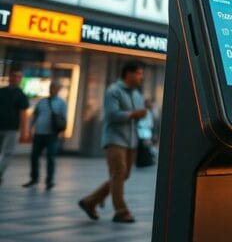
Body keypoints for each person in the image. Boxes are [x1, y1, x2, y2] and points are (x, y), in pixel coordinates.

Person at [78, 60, 147, 223]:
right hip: (114, 139)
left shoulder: (137, 94)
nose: (140, 77)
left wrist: (139, 115)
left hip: (131, 141)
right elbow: (111, 115)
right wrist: (133, 114)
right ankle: (121, 211)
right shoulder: (113, 91)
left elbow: (136, 116)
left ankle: (90, 201)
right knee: (119, 173)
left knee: (123, 175)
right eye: (138, 73)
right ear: (128, 74)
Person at [24, 79, 67, 189]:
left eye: (55, 87)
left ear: (58, 90)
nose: (53, 89)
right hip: (39, 133)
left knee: (50, 158)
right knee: (34, 156)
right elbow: (34, 115)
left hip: (52, 135)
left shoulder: (61, 103)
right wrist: (29, 129)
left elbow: (63, 119)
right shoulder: (42, 101)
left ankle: (49, 181)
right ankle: (34, 178)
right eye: (52, 87)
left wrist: (61, 133)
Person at [0, 65, 29, 186]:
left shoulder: (17, 94)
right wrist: (24, 132)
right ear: (11, 78)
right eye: (16, 77)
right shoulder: (19, 94)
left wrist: (24, 132)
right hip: (9, 128)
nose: (18, 79)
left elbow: (23, 115)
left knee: (7, 152)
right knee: (8, 153)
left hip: (11, 128)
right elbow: (23, 115)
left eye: (19, 77)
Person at [135, 98, 157, 169]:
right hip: (144, 132)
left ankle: (145, 162)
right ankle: (144, 162)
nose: (151, 105)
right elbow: (143, 122)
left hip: (146, 132)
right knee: (144, 148)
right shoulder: (145, 112)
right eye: (149, 103)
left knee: (146, 148)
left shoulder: (149, 112)